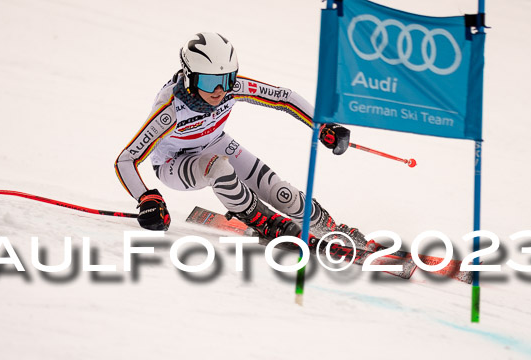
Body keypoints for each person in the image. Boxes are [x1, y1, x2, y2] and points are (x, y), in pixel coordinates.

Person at [115, 32, 366, 246]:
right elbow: (126, 160)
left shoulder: (231, 88)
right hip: (175, 163)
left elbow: (283, 97)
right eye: (210, 80)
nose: (220, 90)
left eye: (227, 79)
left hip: (215, 143)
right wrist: (147, 198)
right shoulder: (169, 110)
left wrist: (322, 126)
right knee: (218, 167)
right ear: (190, 76)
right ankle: (264, 222)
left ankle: (331, 229)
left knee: (283, 193)